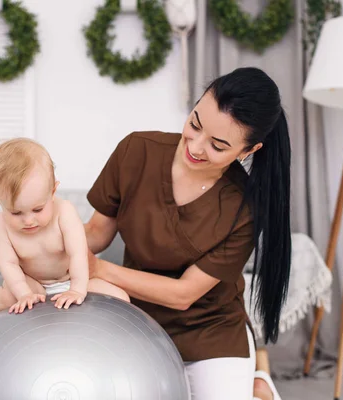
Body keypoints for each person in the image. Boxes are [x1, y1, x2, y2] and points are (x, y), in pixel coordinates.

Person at [83, 67, 290, 400]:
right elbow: (96, 233)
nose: (195, 145)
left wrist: (99, 269)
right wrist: (44, 238)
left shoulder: (245, 208)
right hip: (137, 321)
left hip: (210, 332)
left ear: (248, 151)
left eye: (218, 145)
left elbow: (183, 294)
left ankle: (257, 384)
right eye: (195, 124)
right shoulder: (137, 151)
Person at [0, 138, 129, 333]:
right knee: (4, 298)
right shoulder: (1, 224)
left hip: (71, 279)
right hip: (33, 284)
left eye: (38, 209)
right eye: (16, 213)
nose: (28, 220)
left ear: (53, 191)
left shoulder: (65, 212)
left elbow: (78, 254)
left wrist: (77, 288)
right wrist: (24, 293)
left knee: (121, 298)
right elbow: (8, 264)